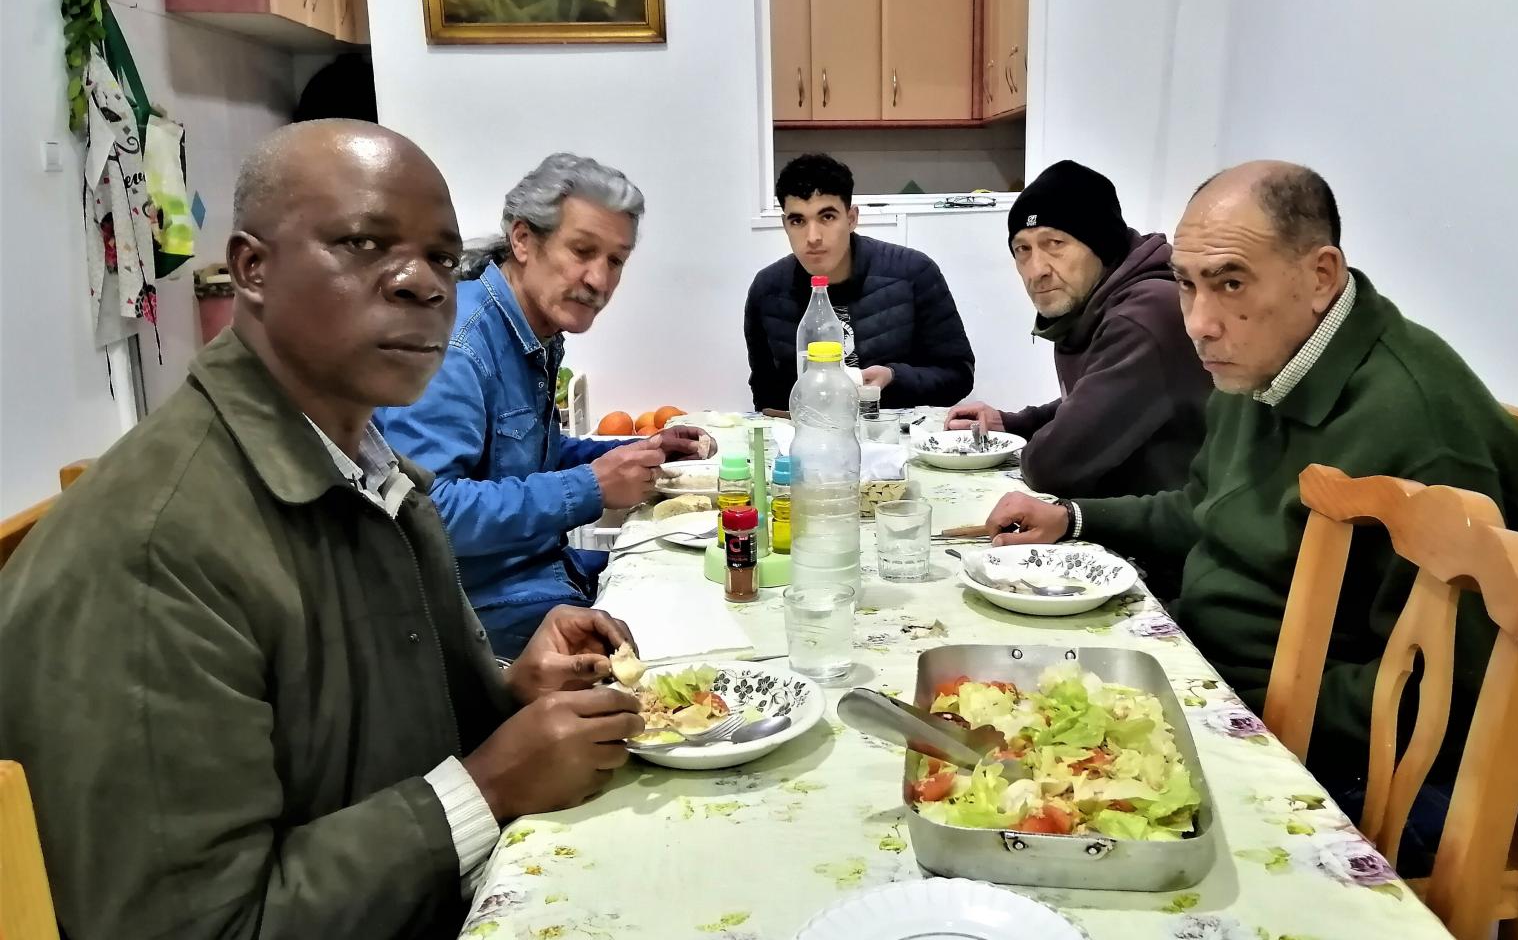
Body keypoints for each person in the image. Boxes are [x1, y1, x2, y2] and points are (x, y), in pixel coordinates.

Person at [0, 121, 648, 938]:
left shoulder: (369, 471)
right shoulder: (156, 555)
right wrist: (488, 788)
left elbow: (358, 728)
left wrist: (508, 690)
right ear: (252, 269)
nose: (424, 285)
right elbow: (198, 923)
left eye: (444, 260)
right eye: (363, 243)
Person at [985, 161, 1518, 872]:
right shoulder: (1262, 361)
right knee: (998, 730)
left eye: (1231, 282)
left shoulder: (1424, 430)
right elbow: (1201, 510)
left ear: (1321, 276)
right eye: (1186, 283)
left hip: (1350, 771)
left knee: (1041, 849)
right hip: (1216, 682)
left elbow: (1448, 698)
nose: (1198, 323)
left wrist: (1240, 704)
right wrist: (1074, 517)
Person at [377, 153, 714, 659]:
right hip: (478, 613)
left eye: (615, 261)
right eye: (582, 250)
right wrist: (592, 486)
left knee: (700, 583)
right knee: (684, 655)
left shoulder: (535, 328)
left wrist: (643, 450)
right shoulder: (457, 346)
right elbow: (429, 514)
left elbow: (530, 458)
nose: (599, 280)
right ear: (523, 240)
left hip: (543, 573)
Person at [946, 160, 1209, 500]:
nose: (1036, 270)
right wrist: (1012, 424)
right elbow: (1097, 397)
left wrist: (1032, 445)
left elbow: (1053, 466)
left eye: (1054, 243)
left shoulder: (1144, 316)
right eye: (1022, 249)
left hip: (1170, 538)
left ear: (1101, 244)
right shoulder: (1097, 302)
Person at [744, 152, 975, 411]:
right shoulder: (767, 290)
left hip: (897, 437)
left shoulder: (913, 273)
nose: (813, 237)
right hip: (810, 439)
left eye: (827, 217)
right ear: (785, 225)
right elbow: (765, 393)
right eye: (798, 221)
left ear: (852, 218)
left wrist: (893, 377)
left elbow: (959, 374)